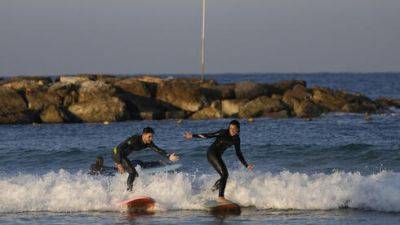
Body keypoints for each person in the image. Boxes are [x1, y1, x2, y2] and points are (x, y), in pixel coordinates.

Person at [184, 120, 253, 202]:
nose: (232, 131)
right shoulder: (223, 132)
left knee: (224, 177)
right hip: (211, 153)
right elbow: (209, 135)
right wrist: (193, 135)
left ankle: (210, 191)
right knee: (225, 174)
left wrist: (246, 165)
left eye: (235, 129)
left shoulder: (236, 139)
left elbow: (238, 153)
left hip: (218, 156)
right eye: (231, 128)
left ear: (238, 130)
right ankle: (220, 197)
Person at [112, 127, 179, 191]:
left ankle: (129, 189)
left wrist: (169, 156)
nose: (151, 138)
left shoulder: (148, 143)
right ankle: (129, 191)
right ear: (143, 135)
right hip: (117, 155)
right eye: (149, 136)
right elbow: (118, 149)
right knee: (132, 173)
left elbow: (158, 150)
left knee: (135, 175)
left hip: (122, 157)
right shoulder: (134, 139)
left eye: (152, 137)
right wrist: (118, 163)